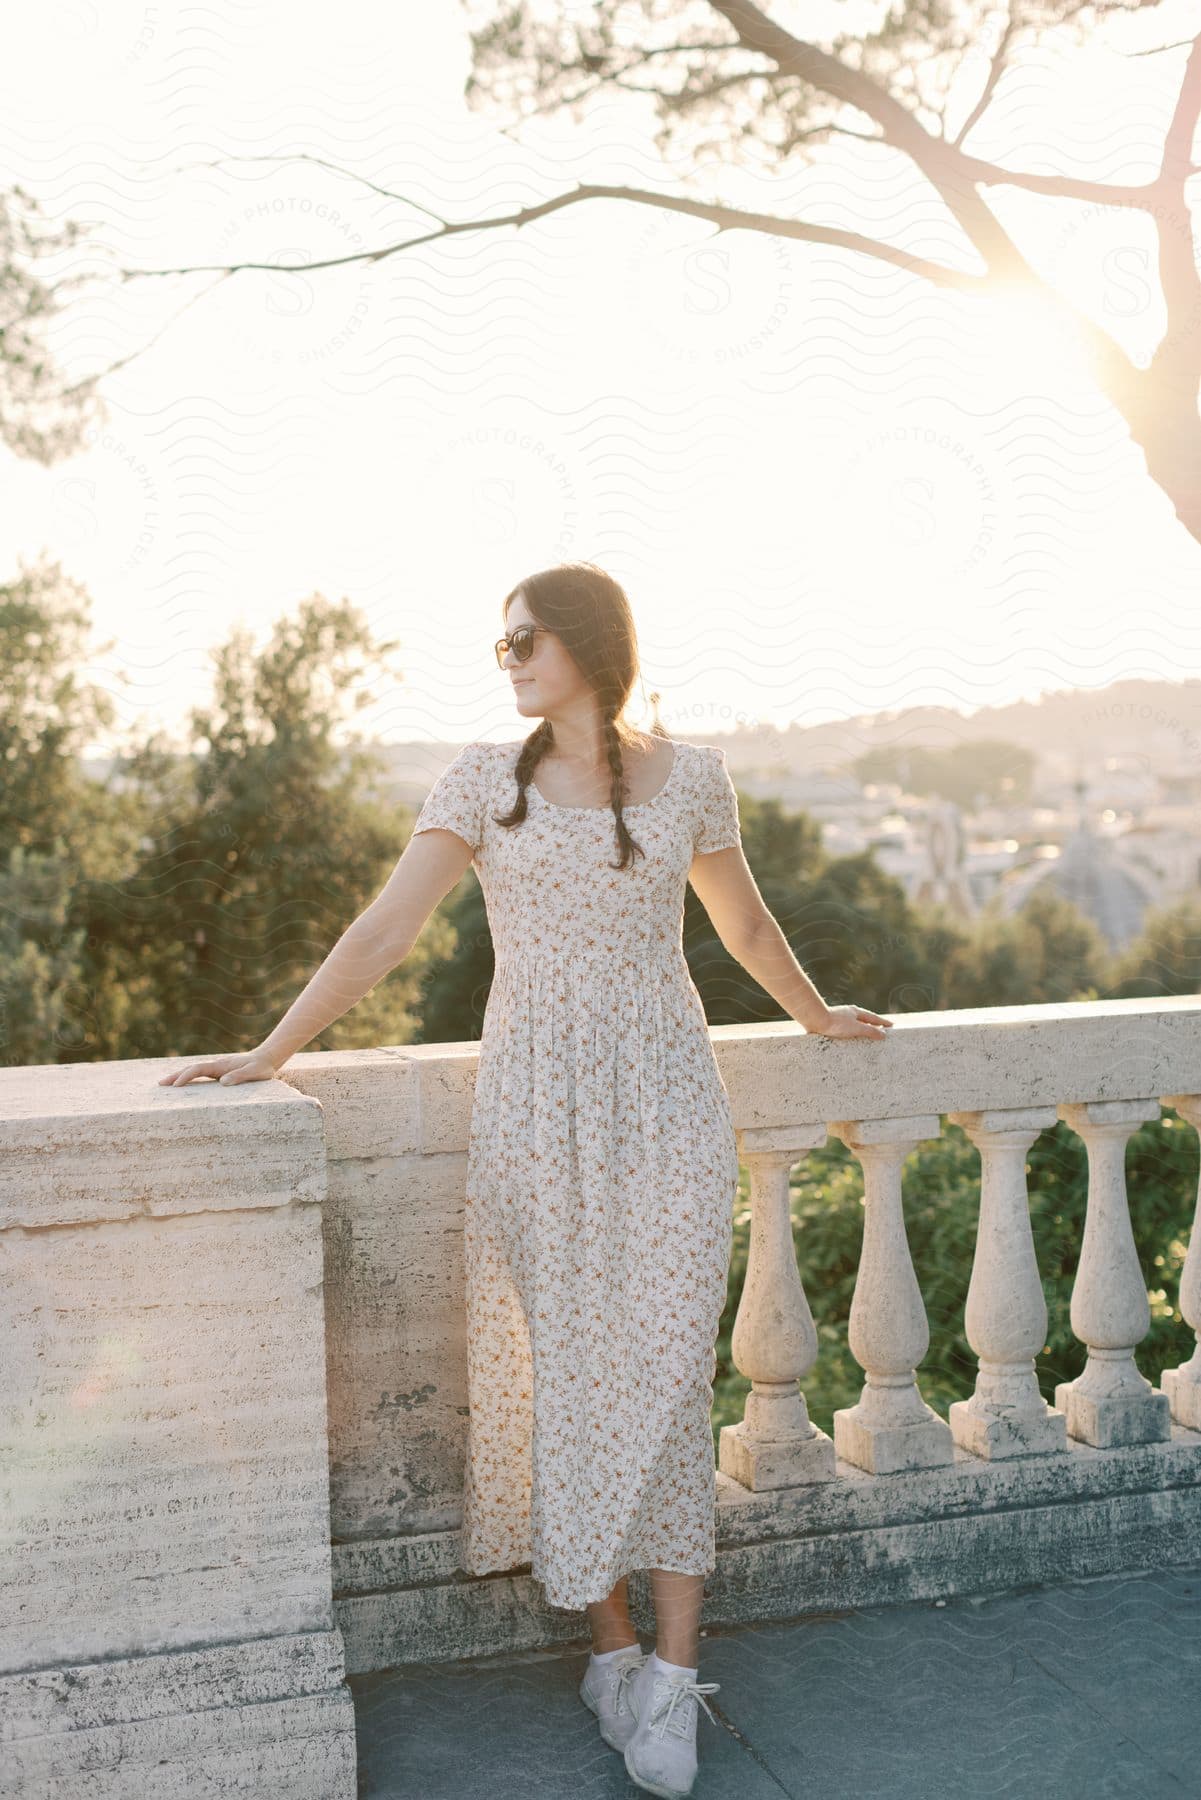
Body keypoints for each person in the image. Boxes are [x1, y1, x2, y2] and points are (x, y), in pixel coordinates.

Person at [158, 561, 893, 1798]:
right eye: (497, 646)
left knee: (665, 1373)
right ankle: (611, 1650)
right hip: (534, 1114)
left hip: (667, 1102)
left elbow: (744, 929)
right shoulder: (478, 783)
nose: (504, 660)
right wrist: (271, 1051)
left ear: (588, 648)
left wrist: (818, 1018)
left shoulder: (692, 778)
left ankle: (670, 1671)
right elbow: (383, 933)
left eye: (522, 643)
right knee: (566, 1375)